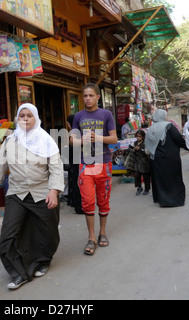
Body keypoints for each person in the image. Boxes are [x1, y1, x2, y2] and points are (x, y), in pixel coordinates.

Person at [0, 103, 64, 290]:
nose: (26, 119)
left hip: (41, 191)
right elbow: (0, 165)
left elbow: (56, 167)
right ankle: (18, 273)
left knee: (47, 230)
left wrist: (54, 191)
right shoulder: (10, 141)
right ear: (17, 119)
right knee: (8, 234)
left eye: (30, 115)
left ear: (36, 118)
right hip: (17, 192)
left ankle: (44, 260)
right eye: (22, 116)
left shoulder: (46, 140)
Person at [70, 83, 118, 256]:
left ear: (98, 97)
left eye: (91, 95)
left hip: (103, 163)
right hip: (85, 164)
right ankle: (91, 237)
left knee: (103, 200)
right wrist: (82, 141)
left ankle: (102, 233)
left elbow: (114, 139)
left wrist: (97, 138)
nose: (87, 99)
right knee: (88, 201)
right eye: (85, 96)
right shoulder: (78, 116)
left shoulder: (106, 114)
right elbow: (71, 141)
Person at [145, 108, 189, 207]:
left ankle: (161, 199)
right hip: (170, 158)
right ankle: (174, 200)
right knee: (173, 178)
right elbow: (178, 139)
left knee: (159, 179)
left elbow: (147, 145)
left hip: (156, 159)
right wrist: (188, 147)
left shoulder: (151, 129)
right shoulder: (168, 126)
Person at [66, 114, 84, 214]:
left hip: (77, 163)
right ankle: (77, 204)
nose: (67, 125)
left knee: (77, 184)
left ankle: (79, 206)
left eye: (68, 123)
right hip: (77, 162)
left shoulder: (75, 134)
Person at [131, 129, 151, 196]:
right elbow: (132, 151)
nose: (138, 138)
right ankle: (139, 187)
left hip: (144, 162)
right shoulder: (135, 143)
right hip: (137, 162)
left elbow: (147, 152)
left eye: (139, 136)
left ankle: (147, 189)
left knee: (146, 176)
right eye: (137, 136)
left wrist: (140, 149)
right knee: (137, 176)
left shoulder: (146, 143)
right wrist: (133, 149)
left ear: (143, 137)